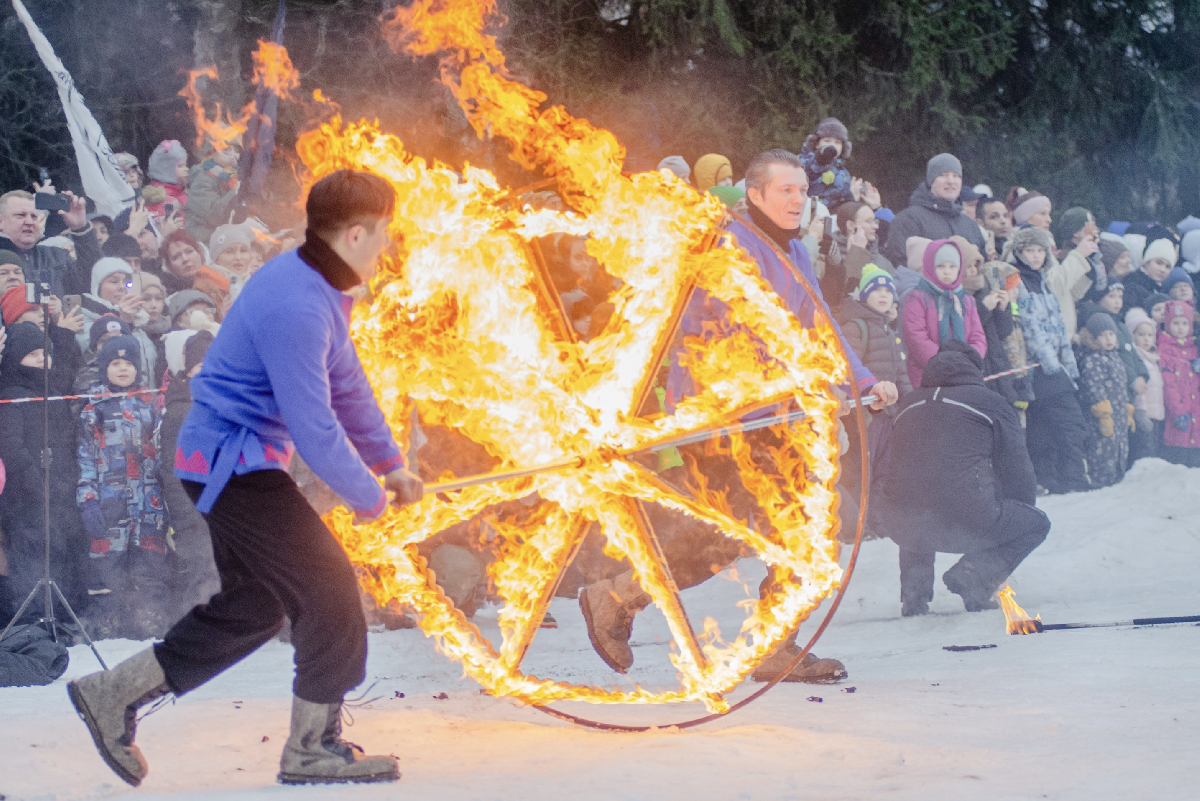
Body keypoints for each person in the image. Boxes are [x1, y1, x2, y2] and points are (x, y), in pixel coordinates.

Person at [67, 169, 422, 788]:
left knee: (257, 605)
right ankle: (313, 748)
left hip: (236, 463)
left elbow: (348, 387)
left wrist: (390, 464)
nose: (389, 245)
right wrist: (370, 497)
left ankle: (112, 694)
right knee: (332, 593)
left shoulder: (320, 289)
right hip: (232, 468)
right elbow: (314, 426)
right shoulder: (297, 304)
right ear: (357, 233)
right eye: (385, 233)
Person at [581, 149, 898, 683]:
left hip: (779, 416)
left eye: (802, 190)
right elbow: (735, 335)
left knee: (812, 527)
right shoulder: (728, 245)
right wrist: (805, 384)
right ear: (755, 196)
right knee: (721, 535)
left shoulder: (794, 250)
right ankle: (614, 595)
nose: (798, 199)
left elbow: (821, 329)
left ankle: (777, 645)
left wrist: (862, 381)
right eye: (785, 191)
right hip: (727, 417)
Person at [881, 341, 1049, 616]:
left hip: (901, 522)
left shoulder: (907, 403)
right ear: (974, 370)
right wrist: (1020, 512)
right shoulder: (991, 403)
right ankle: (974, 577)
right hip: (966, 518)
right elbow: (1017, 467)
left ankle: (914, 595)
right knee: (1036, 524)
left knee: (913, 495)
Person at [77, 335, 169, 640]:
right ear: (104, 368)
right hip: (108, 500)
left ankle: (149, 620)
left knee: (150, 564)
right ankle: (108, 624)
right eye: (115, 363)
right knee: (108, 567)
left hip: (147, 500)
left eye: (128, 363)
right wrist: (88, 499)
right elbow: (86, 459)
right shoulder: (94, 409)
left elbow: (161, 452)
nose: (121, 369)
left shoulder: (150, 404)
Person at [0, 321, 88, 621]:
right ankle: (34, 621)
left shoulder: (57, 394)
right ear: (16, 358)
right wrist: (38, 486)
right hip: (24, 499)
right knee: (31, 559)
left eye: (46, 353)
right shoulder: (11, 396)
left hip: (61, 493)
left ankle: (65, 619)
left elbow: (69, 443)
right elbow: (12, 448)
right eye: (34, 353)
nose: (43, 359)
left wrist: (68, 483)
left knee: (62, 554)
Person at [1009, 225, 1091, 493]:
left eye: (1040, 250)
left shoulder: (1042, 280)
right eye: (1029, 250)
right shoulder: (1016, 280)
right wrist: (1053, 365)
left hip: (1054, 362)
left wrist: (1065, 361)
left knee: (1046, 425)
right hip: (1039, 366)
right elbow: (1030, 326)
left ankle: (1054, 478)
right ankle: (1071, 478)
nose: (1035, 256)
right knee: (1067, 422)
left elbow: (1056, 322)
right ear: (1018, 252)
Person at [159, 329, 220, 624]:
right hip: (193, 506)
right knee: (200, 567)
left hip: (225, 502)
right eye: (199, 367)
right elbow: (173, 470)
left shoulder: (224, 404)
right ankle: (200, 627)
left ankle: (225, 624)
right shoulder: (179, 412)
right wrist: (187, 510)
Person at [900, 239, 986, 388]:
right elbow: (917, 338)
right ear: (930, 266)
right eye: (941, 266)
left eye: (952, 266)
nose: (947, 271)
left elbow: (977, 336)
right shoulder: (917, 297)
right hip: (928, 375)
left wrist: (969, 362)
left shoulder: (966, 299)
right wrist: (945, 365)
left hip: (965, 375)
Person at [882, 153, 986, 268]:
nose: (951, 181)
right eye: (943, 175)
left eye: (956, 175)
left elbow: (981, 266)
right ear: (931, 180)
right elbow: (899, 266)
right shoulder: (908, 220)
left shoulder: (970, 225)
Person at [0, 189, 100, 297]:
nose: (29, 222)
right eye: (20, 215)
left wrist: (80, 228)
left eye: (34, 216)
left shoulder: (59, 256)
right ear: (1, 222)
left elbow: (92, 282)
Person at [1076, 313, 1132, 488]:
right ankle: (1101, 484)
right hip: (1102, 417)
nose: (1108, 339)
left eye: (1111, 334)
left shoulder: (1116, 357)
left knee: (1120, 449)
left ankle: (1117, 481)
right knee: (1103, 450)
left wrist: (1127, 407)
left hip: (1119, 415)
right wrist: (1102, 410)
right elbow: (1093, 386)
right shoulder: (1092, 359)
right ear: (1093, 337)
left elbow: (1122, 385)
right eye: (1102, 335)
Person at [798, 118, 879, 212]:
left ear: (843, 147)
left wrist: (854, 196)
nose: (832, 146)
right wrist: (822, 156)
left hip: (833, 221)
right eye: (827, 141)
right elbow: (814, 166)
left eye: (838, 142)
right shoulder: (803, 163)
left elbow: (843, 207)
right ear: (816, 144)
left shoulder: (843, 173)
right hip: (807, 217)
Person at [1158, 299, 1200, 467]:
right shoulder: (1164, 348)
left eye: (1184, 323)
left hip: (1196, 413)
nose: (1180, 327)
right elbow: (1169, 385)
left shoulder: (1194, 348)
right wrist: (1177, 411)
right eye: (1176, 323)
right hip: (1178, 414)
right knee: (1178, 459)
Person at [1126, 308, 1165, 461]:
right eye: (1141, 335)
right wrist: (1141, 412)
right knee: (1145, 451)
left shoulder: (1154, 358)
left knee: (1155, 450)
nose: (1146, 339)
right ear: (1132, 335)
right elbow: (1140, 389)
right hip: (1144, 414)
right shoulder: (1136, 357)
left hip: (1157, 415)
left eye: (1150, 335)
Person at [1123, 238, 1176, 317]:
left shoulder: (1161, 290)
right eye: (1159, 263)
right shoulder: (1132, 286)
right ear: (1146, 262)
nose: (1162, 270)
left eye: (1167, 266)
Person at [159, 230, 207, 294]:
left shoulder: (220, 278)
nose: (185, 259)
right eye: (176, 257)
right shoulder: (172, 299)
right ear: (170, 266)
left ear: (199, 252)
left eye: (189, 251)